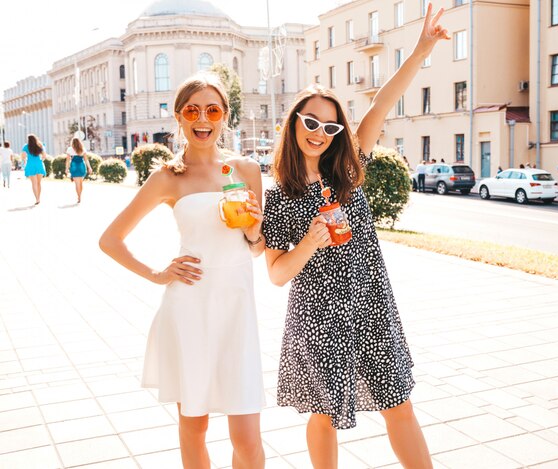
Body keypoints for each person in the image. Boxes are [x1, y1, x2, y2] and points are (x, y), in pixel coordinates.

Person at [262, 4, 448, 468]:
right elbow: (277, 274)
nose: (318, 133)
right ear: (294, 123)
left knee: (398, 404)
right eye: (309, 122)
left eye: (329, 126)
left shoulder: (347, 169)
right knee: (324, 414)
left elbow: (383, 101)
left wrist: (422, 49)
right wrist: (308, 241)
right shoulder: (281, 198)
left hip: (371, 304)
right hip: (319, 316)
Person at [99, 72, 266, 469]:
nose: (202, 118)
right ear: (179, 117)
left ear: (225, 116)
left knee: (247, 439)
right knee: (195, 426)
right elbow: (110, 240)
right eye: (192, 110)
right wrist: (158, 273)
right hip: (189, 308)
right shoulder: (166, 178)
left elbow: (256, 251)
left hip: (237, 310)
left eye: (212, 109)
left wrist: (255, 228)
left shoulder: (247, 170)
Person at [22, 134, 47, 204]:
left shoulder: (25, 146)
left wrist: (25, 160)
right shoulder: (40, 145)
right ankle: (39, 197)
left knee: (34, 183)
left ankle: (37, 199)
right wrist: (41, 160)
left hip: (30, 165)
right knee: (39, 183)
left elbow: (23, 157)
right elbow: (44, 156)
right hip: (39, 164)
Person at [65, 138, 92, 203]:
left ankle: (78, 197)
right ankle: (80, 196)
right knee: (81, 183)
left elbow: (68, 160)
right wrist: (89, 167)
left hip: (74, 166)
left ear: (72, 143)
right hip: (81, 166)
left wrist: (66, 169)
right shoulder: (83, 149)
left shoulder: (69, 149)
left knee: (77, 184)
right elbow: (86, 159)